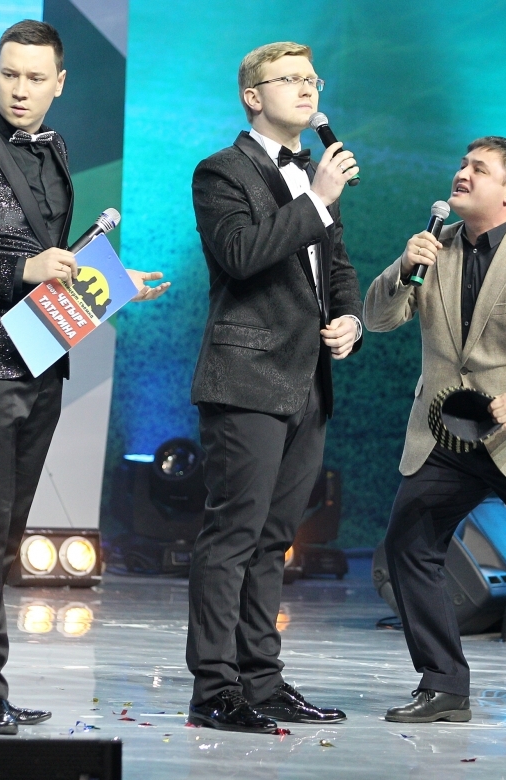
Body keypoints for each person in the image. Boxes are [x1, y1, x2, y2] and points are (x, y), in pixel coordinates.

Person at [0, 20, 167, 735]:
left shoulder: (55, 149)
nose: (19, 90)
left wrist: (113, 282)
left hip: (42, 351)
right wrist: (21, 268)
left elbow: (56, 258)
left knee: (2, 531)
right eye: (8, 74)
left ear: (59, 84)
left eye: (34, 78)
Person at [364, 137, 506, 731]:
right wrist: (404, 267)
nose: (462, 174)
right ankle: (443, 683)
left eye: (479, 169)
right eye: (463, 164)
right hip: (448, 434)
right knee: (409, 546)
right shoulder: (432, 247)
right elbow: (378, 318)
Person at [186, 41, 362, 734]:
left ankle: (261, 678)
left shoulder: (314, 177)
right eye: (289, 79)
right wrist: (317, 197)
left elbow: (336, 264)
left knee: (274, 539)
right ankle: (214, 687)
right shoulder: (221, 171)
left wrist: (349, 317)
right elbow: (240, 254)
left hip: (307, 380)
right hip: (246, 377)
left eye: (312, 78)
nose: (306, 88)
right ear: (252, 97)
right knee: (232, 534)